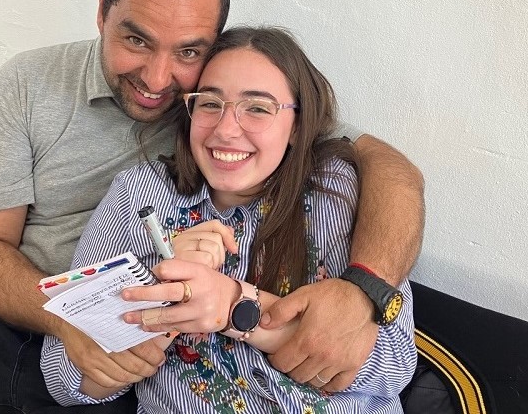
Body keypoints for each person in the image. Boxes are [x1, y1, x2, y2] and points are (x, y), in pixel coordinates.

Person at [0, 0, 423, 413]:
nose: (156, 77)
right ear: (103, 10)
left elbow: (389, 168)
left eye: (188, 51)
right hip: (39, 315)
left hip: (144, 358)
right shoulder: (34, 91)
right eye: (137, 40)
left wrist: (363, 291)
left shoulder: (280, 143)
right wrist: (76, 322)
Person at [41, 26, 417, 412]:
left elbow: (395, 364)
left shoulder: (337, 190)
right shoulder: (138, 193)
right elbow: (65, 379)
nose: (225, 130)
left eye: (257, 108)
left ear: (297, 125)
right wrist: (163, 292)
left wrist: (233, 306)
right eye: (209, 103)